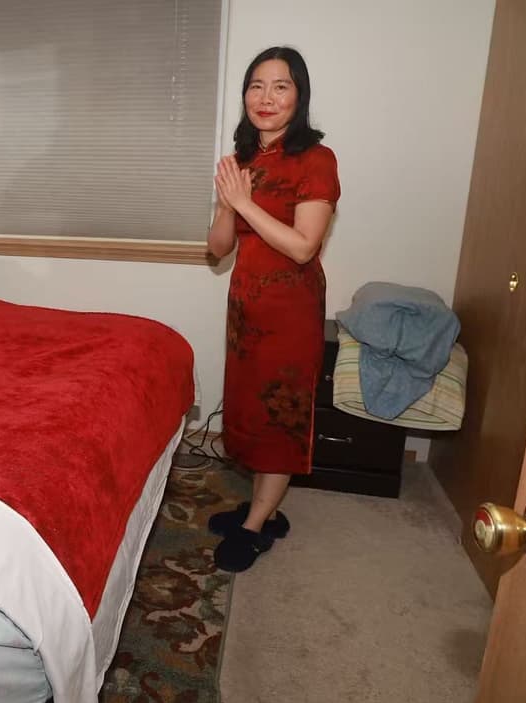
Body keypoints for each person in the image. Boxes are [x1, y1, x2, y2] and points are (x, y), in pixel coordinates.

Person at [205, 46, 340, 572]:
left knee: (279, 415)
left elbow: (304, 246)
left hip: (289, 314)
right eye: (256, 85)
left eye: (280, 86)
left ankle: (255, 527)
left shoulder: (316, 159)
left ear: (298, 97)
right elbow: (218, 249)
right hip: (245, 313)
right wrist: (224, 206)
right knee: (249, 411)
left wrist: (244, 205)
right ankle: (263, 508)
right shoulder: (242, 160)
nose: (266, 98)